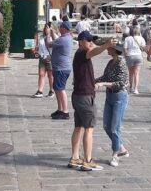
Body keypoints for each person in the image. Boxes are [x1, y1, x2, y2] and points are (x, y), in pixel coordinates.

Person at [67, 31, 114, 172]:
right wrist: (107, 45)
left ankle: (75, 158)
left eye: (91, 40)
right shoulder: (82, 52)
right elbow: (95, 52)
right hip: (84, 97)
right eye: (88, 40)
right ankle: (88, 160)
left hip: (78, 95)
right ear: (81, 41)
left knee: (79, 126)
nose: (90, 42)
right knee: (89, 128)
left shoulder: (80, 54)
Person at [95, 41, 130, 166]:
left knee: (115, 127)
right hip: (109, 96)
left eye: (109, 48)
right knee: (106, 126)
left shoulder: (121, 63)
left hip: (119, 96)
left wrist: (103, 84)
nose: (107, 49)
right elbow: (105, 77)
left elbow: (121, 83)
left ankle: (115, 155)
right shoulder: (111, 62)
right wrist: (90, 81)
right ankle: (121, 148)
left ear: (114, 50)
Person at [48, 20, 74, 119]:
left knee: (60, 89)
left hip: (61, 69)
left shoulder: (63, 40)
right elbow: (56, 41)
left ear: (63, 28)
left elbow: (49, 44)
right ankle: (60, 109)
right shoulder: (66, 38)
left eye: (60, 27)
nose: (59, 28)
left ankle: (65, 111)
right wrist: (52, 33)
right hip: (62, 68)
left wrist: (47, 35)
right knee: (57, 88)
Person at [32, 23, 55, 98]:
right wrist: (35, 49)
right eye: (45, 27)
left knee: (50, 75)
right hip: (42, 57)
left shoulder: (53, 37)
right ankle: (40, 91)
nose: (46, 29)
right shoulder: (41, 36)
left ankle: (51, 90)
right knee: (41, 74)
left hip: (50, 58)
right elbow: (37, 46)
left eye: (48, 27)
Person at [123, 26, 146, 94]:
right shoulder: (141, 38)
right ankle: (136, 89)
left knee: (131, 73)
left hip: (130, 56)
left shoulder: (127, 38)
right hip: (138, 56)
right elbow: (144, 48)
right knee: (137, 73)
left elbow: (125, 48)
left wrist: (125, 55)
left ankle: (130, 88)